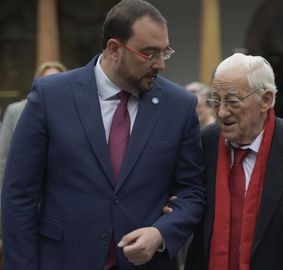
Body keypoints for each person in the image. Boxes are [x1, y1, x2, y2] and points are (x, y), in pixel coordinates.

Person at [1, 0, 206, 269]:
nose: (160, 65)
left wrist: (161, 233)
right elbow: (19, 195)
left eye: (164, 52)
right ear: (114, 48)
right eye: (149, 53)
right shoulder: (51, 97)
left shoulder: (179, 106)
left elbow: (192, 191)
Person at [182, 53, 283, 270]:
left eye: (232, 101)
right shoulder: (204, 143)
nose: (222, 112)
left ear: (266, 100)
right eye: (216, 100)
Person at [0, 61, 67, 196]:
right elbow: (3, 160)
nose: (52, 84)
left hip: (62, 193)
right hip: (26, 191)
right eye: (46, 79)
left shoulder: (71, 112)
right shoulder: (15, 110)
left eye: (57, 79)